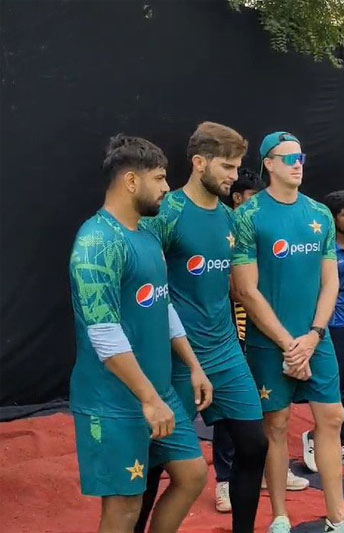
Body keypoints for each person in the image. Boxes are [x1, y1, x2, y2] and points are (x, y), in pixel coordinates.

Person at [232, 131, 344, 532]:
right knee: (275, 426)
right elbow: (245, 289)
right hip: (268, 345)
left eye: (301, 156)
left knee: (331, 418)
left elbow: (330, 282)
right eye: (289, 157)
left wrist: (313, 335)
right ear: (269, 164)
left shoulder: (318, 215)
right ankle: (280, 517)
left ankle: (339, 516)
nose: (298, 163)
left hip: (316, 339)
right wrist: (286, 344)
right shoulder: (248, 216)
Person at [69, 134, 212, 533]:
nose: (168, 187)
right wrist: (149, 399)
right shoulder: (96, 242)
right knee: (124, 509)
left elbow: (162, 305)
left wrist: (194, 366)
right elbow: (104, 334)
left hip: (158, 393)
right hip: (114, 402)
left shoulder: (147, 234)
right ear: (131, 181)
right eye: (161, 178)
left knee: (193, 475)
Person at [137, 122, 267, 533]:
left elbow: (234, 287)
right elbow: (144, 288)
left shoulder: (231, 219)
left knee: (255, 445)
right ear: (198, 163)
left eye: (236, 167)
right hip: (177, 358)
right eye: (227, 167)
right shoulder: (167, 214)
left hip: (227, 352)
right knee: (157, 462)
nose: (234, 176)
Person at [213, 169, 309, 511]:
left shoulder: (264, 227)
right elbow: (232, 285)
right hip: (234, 333)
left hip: (266, 332)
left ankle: (272, 470)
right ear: (238, 198)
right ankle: (224, 481)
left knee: (268, 408)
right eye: (254, 198)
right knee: (231, 409)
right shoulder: (225, 229)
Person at [294, 190, 344, 470]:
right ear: (332, 218)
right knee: (337, 386)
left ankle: (320, 435)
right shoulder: (322, 250)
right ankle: (340, 440)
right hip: (334, 324)